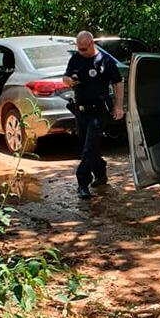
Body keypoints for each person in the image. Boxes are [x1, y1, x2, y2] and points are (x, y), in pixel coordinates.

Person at [63, 31, 124, 199]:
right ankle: (100, 172)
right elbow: (65, 77)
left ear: (92, 44)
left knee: (90, 146)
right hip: (81, 110)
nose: (81, 52)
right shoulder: (75, 59)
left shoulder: (104, 61)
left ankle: (83, 183)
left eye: (84, 48)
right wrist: (68, 81)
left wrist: (118, 106)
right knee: (88, 146)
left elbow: (118, 82)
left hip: (99, 110)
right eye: (79, 48)